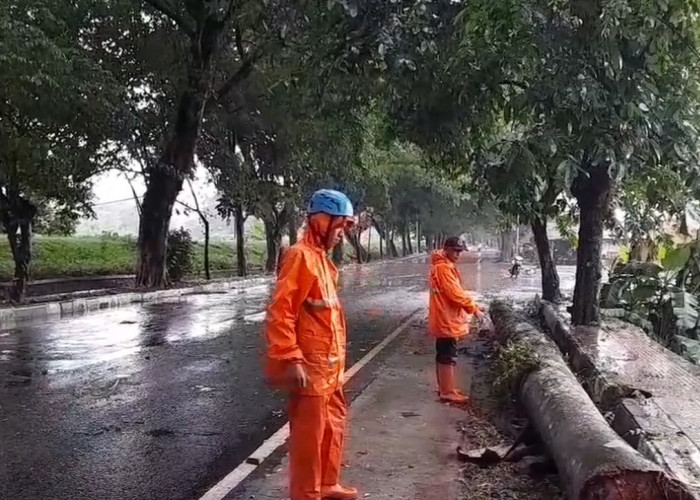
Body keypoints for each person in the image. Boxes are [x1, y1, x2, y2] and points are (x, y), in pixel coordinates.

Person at [265, 189, 358, 500]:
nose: (341, 234)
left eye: (345, 227)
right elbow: (282, 311)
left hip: (331, 369)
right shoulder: (299, 257)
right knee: (309, 438)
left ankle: (328, 484)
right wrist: (291, 357)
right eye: (339, 226)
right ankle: (306, 494)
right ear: (321, 221)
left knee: (333, 428)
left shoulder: (322, 260)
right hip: (311, 367)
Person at [428, 236, 484, 403]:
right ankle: (447, 391)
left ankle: (446, 388)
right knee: (448, 355)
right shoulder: (443, 268)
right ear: (447, 249)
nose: (458, 255)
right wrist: (473, 309)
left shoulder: (443, 266)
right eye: (456, 251)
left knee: (443, 354)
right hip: (446, 319)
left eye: (460, 251)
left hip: (444, 318)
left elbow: (456, 292)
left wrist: (474, 305)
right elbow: (455, 294)